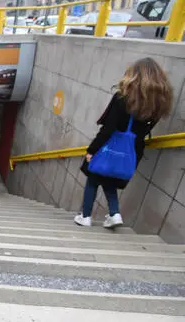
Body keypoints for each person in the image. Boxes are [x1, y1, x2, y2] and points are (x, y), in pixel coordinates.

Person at [74, 58, 173, 228]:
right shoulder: (159, 104)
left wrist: (92, 150)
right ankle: (114, 214)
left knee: (93, 178)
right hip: (132, 150)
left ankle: (86, 216)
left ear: (134, 75)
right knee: (109, 180)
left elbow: (108, 129)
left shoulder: (122, 98)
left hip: (110, 146)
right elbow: (143, 130)